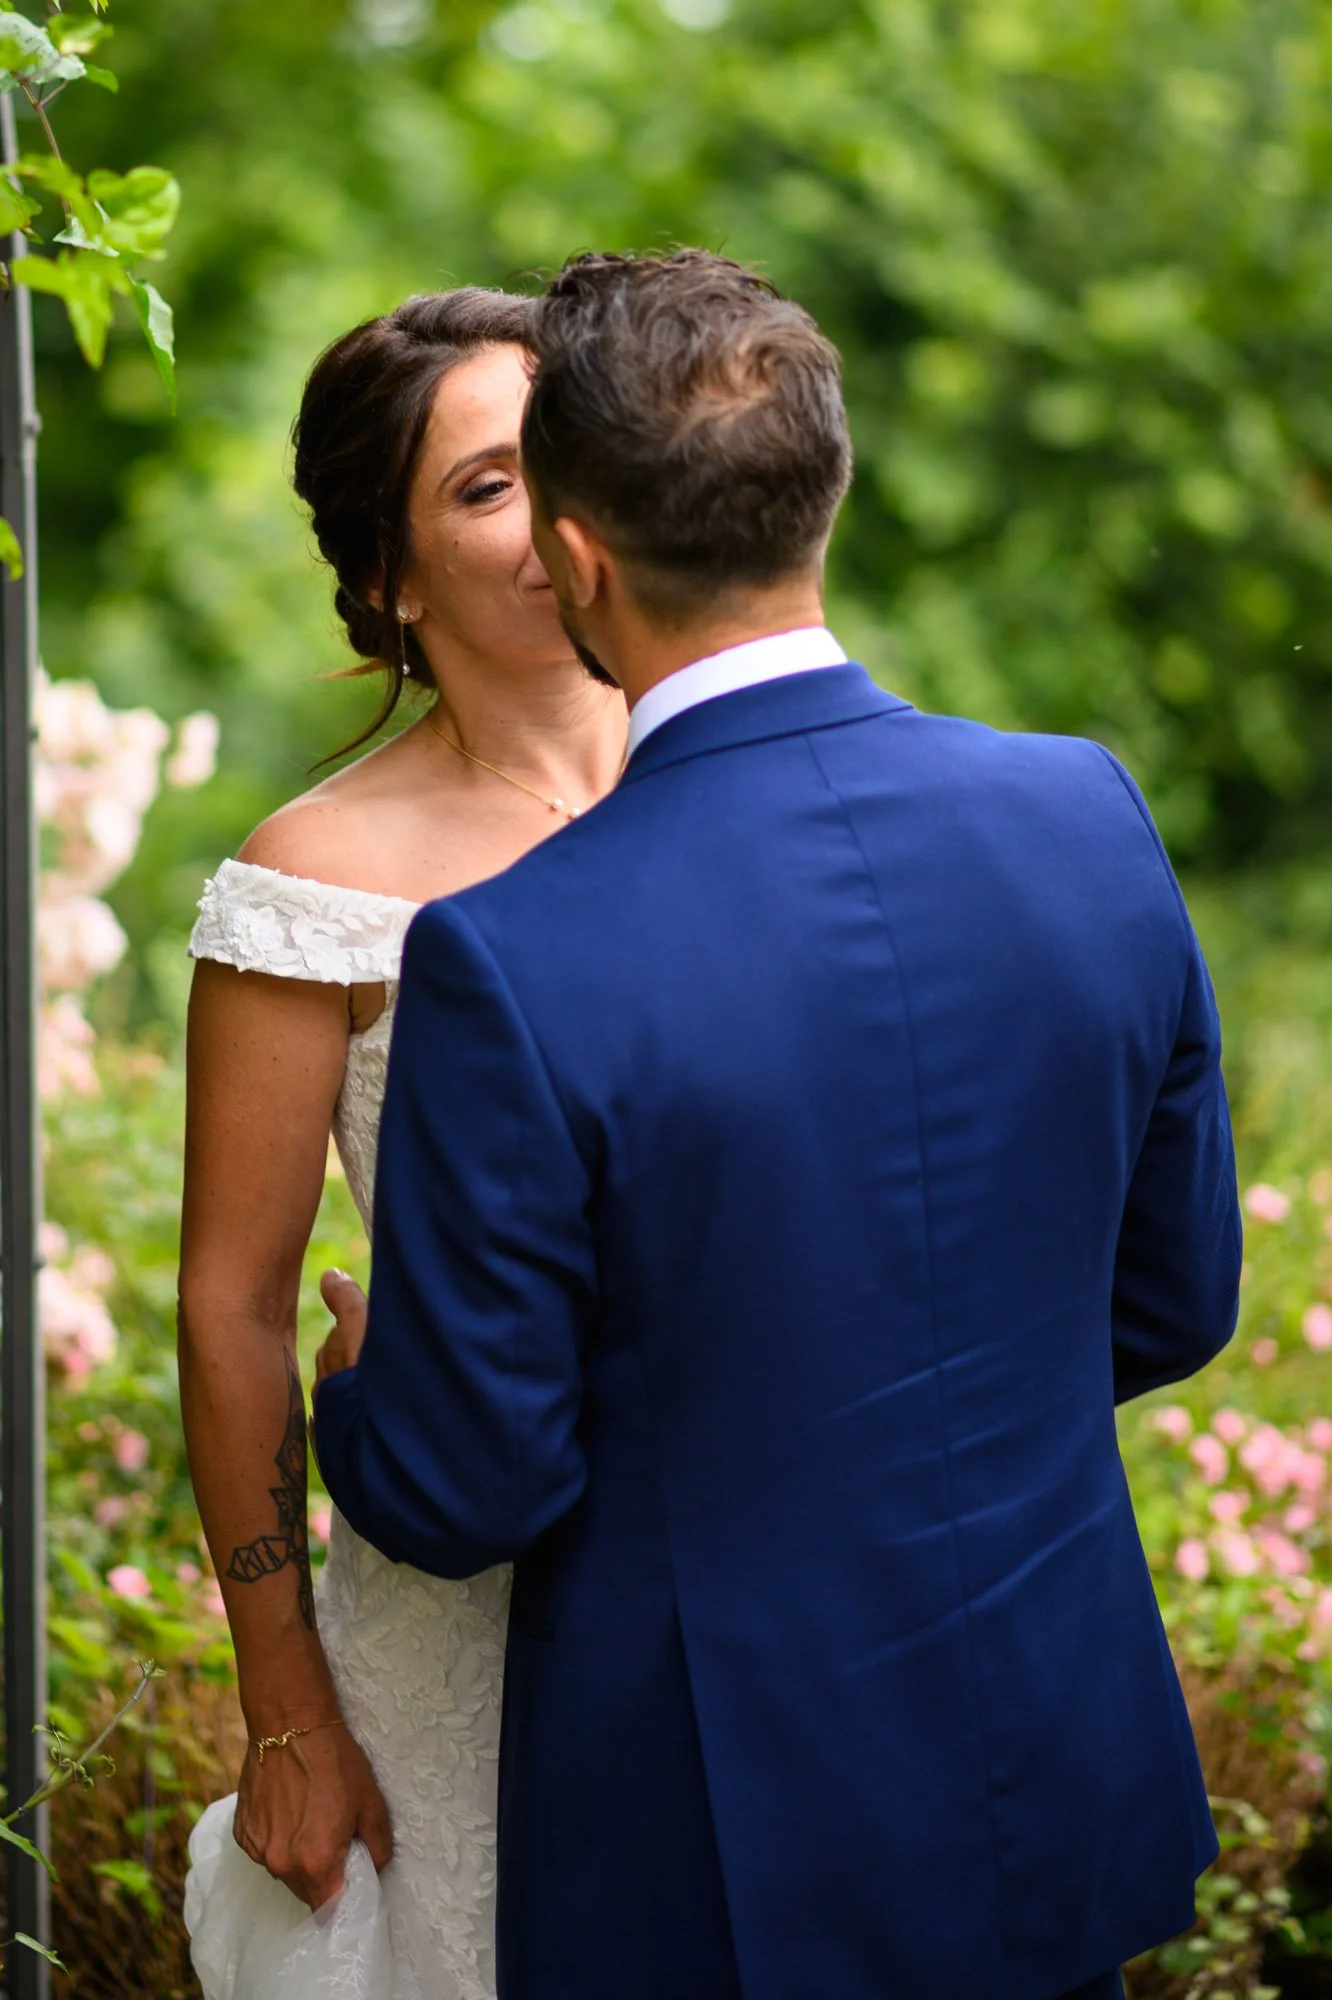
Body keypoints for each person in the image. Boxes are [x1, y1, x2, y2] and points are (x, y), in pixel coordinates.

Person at [312, 249, 1242, 2000]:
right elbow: (1176, 1302)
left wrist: (363, 1391)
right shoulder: (1090, 816)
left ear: (578, 557)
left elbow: (469, 1482)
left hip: (716, 1851)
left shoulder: (511, 961)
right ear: (821, 488)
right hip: (1042, 1775)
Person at [177, 288, 627, 2000]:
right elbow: (232, 1309)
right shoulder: (310, 886)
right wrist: (284, 1706)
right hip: (454, 1606)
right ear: (388, 574)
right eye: (486, 487)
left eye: (565, 463)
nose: (553, 521)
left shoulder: (732, 786)